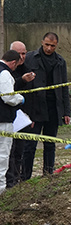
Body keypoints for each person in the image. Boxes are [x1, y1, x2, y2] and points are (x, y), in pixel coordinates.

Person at [21, 32, 71, 179]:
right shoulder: (30, 58)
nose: (49, 48)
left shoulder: (60, 62)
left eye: (52, 46)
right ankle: (25, 177)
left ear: (57, 45)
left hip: (54, 109)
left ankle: (48, 175)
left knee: (50, 144)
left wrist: (66, 111)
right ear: (42, 42)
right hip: (34, 108)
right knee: (30, 145)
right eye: (47, 45)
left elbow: (64, 87)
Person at [6, 41, 35, 188]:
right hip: (8, 117)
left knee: (19, 151)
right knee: (8, 152)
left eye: (24, 53)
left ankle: (17, 180)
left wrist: (31, 116)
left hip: (23, 118)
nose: (22, 57)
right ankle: (8, 181)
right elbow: (8, 92)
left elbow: (31, 97)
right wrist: (21, 81)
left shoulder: (28, 69)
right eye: (19, 54)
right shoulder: (6, 71)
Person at [0, 50, 26, 194]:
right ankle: (1, 190)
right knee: (3, 155)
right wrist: (19, 98)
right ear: (13, 62)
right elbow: (8, 97)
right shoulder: (4, 74)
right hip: (3, 120)